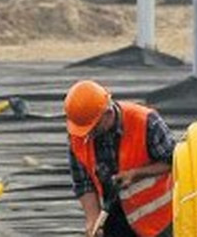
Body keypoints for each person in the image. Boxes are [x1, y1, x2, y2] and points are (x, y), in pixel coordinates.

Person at [65, 79, 175, 236]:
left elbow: (172, 161)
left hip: (158, 219)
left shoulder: (146, 122)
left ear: (108, 114)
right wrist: (93, 219)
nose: (88, 135)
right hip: (115, 215)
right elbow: (83, 183)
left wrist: (136, 174)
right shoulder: (80, 134)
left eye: (93, 128)